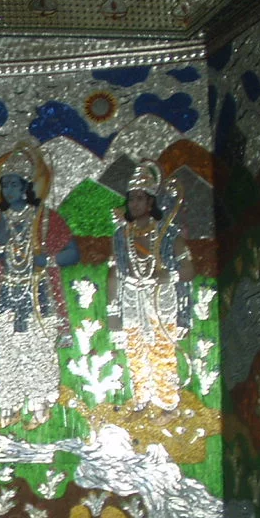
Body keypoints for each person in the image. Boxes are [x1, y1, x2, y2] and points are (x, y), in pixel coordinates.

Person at [0, 143, 79, 429]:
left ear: (26, 186)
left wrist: (48, 260)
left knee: (39, 349)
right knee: (9, 352)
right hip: (7, 293)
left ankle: (40, 407)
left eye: (13, 183)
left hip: (39, 291)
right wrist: (0, 243)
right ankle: (9, 408)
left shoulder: (46, 218)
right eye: (4, 184)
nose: (8, 190)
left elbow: (72, 254)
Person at [107, 160, 194, 424]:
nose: (134, 204)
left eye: (140, 198)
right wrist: (113, 312)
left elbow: (188, 269)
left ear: (150, 202)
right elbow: (114, 273)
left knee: (161, 350)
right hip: (131, 297)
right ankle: (141, 400)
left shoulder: (168, 233)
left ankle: (169, 405)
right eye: (131, 198)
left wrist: (170, 276)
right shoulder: (122, 235)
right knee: (135, 349)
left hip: (160, 298)